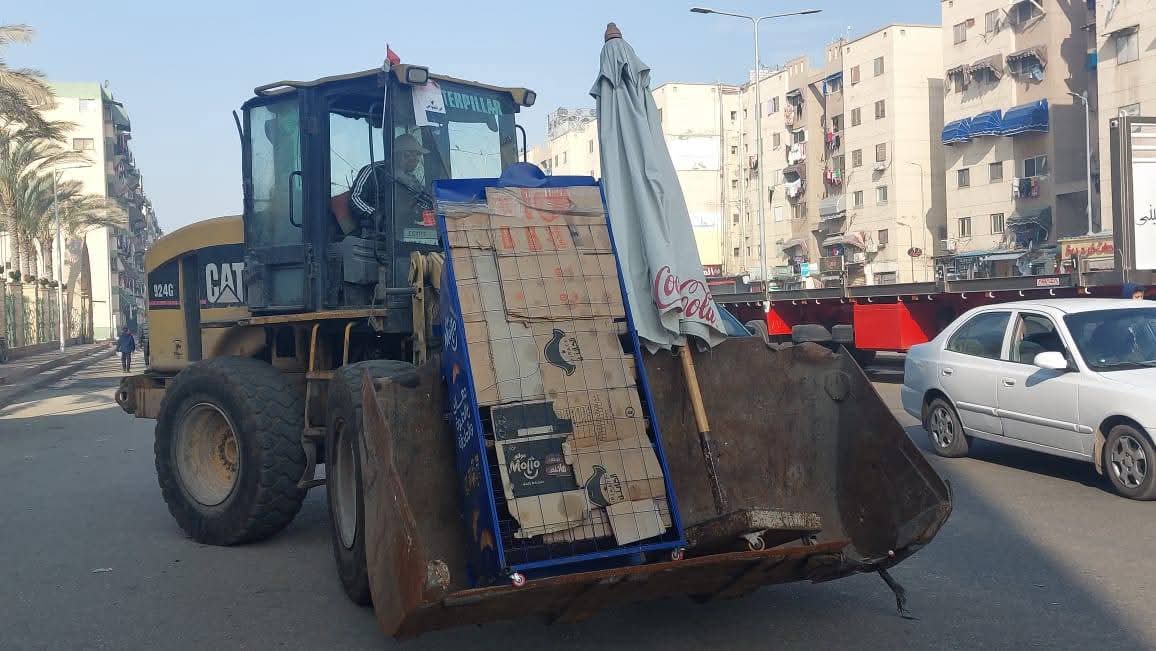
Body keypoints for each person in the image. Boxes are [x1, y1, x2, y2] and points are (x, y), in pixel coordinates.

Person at [348, 133, 434, 234]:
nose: (414, 159)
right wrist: (374, 214)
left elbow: (425, 202)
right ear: (396, 154)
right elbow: (355, 197)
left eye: (418, 154)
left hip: (404, 232)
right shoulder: (374, 170)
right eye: (408, 154)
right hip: (375, 234)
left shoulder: (413, 181)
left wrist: (431, 209)